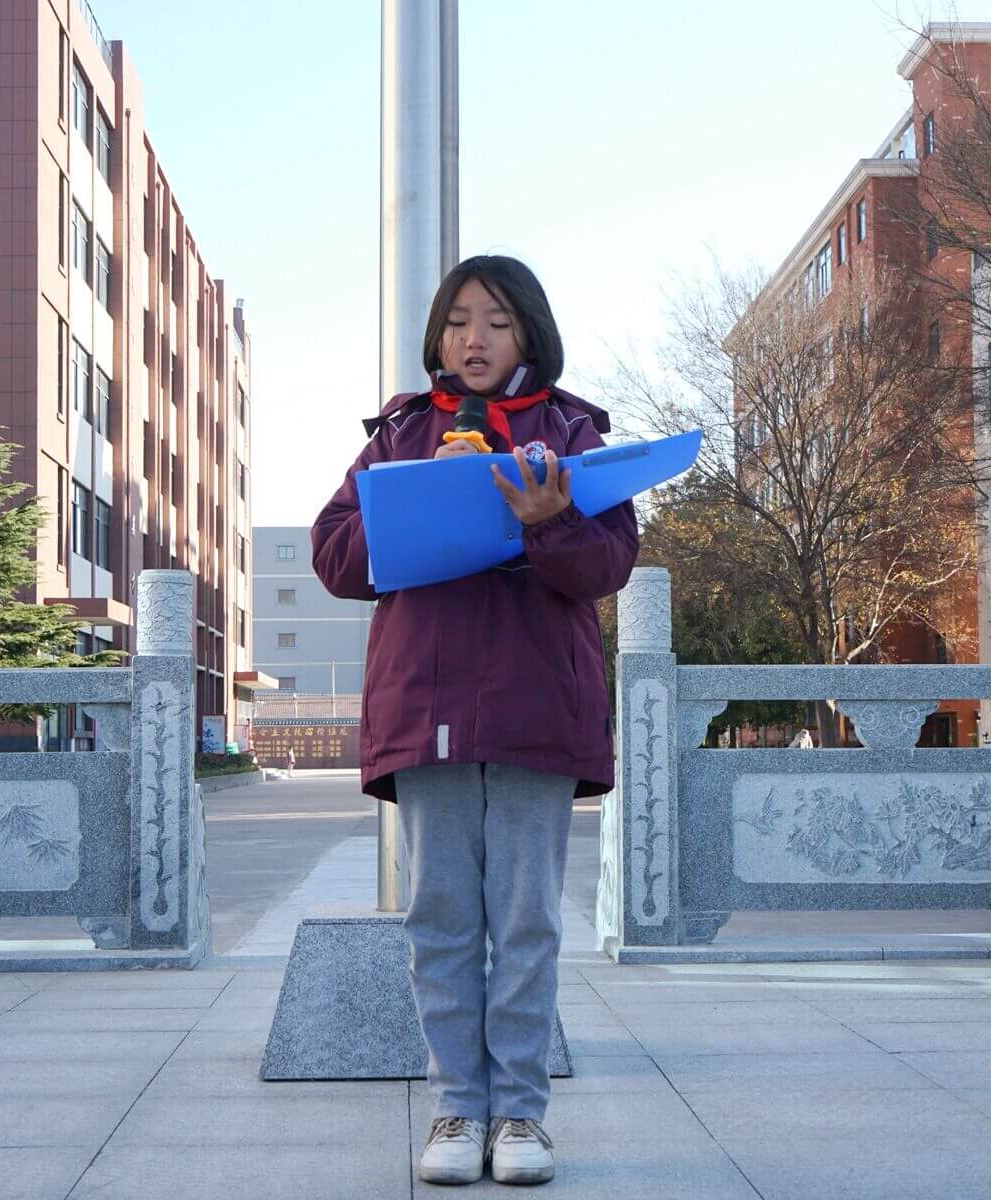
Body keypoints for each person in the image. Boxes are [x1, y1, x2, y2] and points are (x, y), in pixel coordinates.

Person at [312, 255, 638, 1186]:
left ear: (528, 330)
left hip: (538, 706)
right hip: (429, 706)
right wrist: (423, 494)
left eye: (496, 320)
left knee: (527, 921)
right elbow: (335, 556)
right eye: (458, 321)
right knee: (441, 917)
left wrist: (549, 520)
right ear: (438, 335)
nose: (475, 338)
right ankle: (456, 1108)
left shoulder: (573, 433)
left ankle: (522, 1117)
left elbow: (609, 564)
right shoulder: (400, 433)